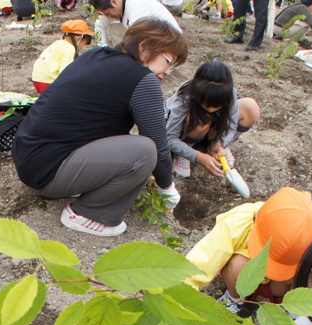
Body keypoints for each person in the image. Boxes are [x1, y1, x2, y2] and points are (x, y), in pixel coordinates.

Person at [12, 19, 188, 237]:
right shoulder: (143, 81)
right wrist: (167, 188)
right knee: (144, 151)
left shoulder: (95, 55)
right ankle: (88, 213)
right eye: (168, 61)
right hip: (48, 173)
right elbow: (159, 147)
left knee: (131, 144)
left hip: (30, 158)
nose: (169, 71)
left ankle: (80, 188)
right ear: (144, 46)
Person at [183, 187, 312, 316]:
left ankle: (296, 313)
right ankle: (235, 300)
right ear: (255, 218)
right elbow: (201, 261)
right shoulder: (237, 223)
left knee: (307, 279)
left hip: (279, 286)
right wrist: (181, 298)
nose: (268, 267)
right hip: (244, 277)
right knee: (236, 264)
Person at [165, 60, 260, 179]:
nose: (211, 109)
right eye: (206, 104)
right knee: (201, 120)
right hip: (187, 132)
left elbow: (231, 127)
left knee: (251, 107)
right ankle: (184, 151)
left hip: (211, 133)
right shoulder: (184, 98)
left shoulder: (230, 95)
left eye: (218, 105)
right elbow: (169, 137)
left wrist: (220, 143)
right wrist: (197, 156)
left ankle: (213, 147)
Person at [31, 20, 94, 93]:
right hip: (49, 83)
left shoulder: (57, 43)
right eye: (84, 43)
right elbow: (65, 72)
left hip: (37, 80)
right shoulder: (70, 48)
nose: (82, 47)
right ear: (79, 38)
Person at [88, 0, 181, 48]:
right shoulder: (116, 7)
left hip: (169, 42)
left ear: (114, 2)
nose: (108, 16)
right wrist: (103, 48)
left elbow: (136, 38)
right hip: (149, 37)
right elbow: (99, 25)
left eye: (108, 13)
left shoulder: (136, 6)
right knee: (115, 28)